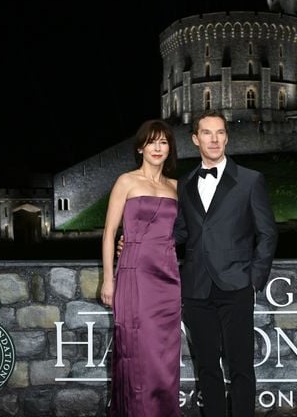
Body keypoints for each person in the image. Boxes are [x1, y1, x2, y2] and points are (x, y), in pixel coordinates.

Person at [174, 109, 278, 417]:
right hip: (196, 289)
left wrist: (254, 279)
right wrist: (139, 241)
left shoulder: (249, 180)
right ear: (195, 139)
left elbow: (267, 233)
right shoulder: (185, 184)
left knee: (241, 367)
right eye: (207, 132)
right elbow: (180, 231)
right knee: (207, 368)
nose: (214, 138)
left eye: (220, 132)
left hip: (236, 286)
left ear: (227, 137)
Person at [100, 119, 180, 416]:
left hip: (168, 278)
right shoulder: (126, 181)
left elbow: (188, 231)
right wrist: (109, 280)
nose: (157, 148)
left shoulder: (176, 186)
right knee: (138, 350)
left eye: (163, 142)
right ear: (140, 147)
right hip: (134, 275)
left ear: (169, 147)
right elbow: (109, 233)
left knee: (165, 355)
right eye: (151, 142)